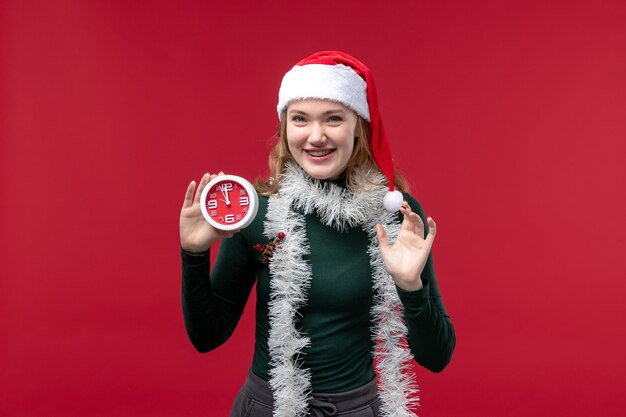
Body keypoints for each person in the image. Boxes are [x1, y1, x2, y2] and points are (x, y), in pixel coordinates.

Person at [179, 51, 456, 417]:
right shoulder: (258, 211)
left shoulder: (397, 215)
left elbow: (437, 357)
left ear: (358, 126)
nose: (316, 136)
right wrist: (193, 254)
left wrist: (410, 286)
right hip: (268, 408)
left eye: (333, 119)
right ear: (284, 127)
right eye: (300, 119)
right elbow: (207, 337)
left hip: (358, 409)